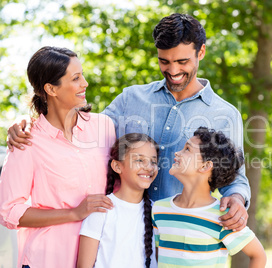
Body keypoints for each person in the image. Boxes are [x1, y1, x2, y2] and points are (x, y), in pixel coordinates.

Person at [7, 13, 250, 231]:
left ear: (201, 52)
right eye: (164, 61)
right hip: (123, 232)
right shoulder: (131, 98)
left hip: (181, 232)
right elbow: (79, 125)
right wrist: (28, 121)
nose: (173, 70)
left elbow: (234, 178)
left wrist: (237, 199)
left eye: (182, 62)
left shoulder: (225, 115)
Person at [0, 46, 116, 268]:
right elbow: (9, 211)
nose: (85, 83)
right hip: (47, 259)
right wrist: (74, 213)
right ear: (51, 89)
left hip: (100, 258)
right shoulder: (27, 141)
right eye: (76, 78)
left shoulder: (104, 127)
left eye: (82, 75)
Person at [152, 127, 266, 267]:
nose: (177, 153)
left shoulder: (224, 217)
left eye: (187, 149)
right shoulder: (158, 209)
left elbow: (258, 255)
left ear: (205, 166)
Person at [77, 133, 158, 268]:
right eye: (139, 160)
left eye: (153, 161)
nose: (149, 167)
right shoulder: (101, 208)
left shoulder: (158, 212)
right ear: (117, 166)